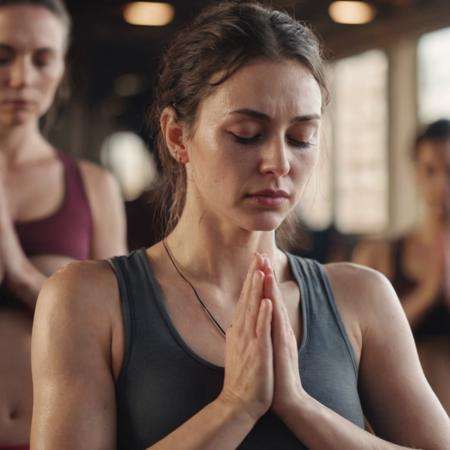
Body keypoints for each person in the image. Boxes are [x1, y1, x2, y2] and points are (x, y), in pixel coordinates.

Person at [31, 3, 449, 450]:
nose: (279, 163)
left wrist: (301, 407)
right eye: (246, 133)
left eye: (300, 138)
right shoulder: (88, 300)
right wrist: (235, 407)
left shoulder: (361, 298)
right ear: (176, 136)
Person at [0, 1, 127, 449]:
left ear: (61, 67)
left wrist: (17, 272)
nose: (21, 78)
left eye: (41, 59)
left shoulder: (94, 187)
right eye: (3, 56)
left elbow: (116, 345)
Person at [353, 119, 450, 414]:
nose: (441, 185)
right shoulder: (378, 255)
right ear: (415, 175)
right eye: (430, 170)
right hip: (407, 422)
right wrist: (428, 291)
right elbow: (357, 345)